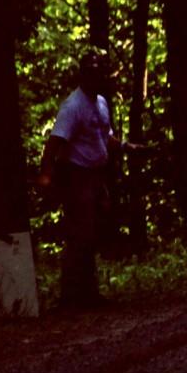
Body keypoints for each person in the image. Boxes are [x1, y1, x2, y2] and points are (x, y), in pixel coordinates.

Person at [38, 51, 141, 308]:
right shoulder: (73, 106)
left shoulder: (101, 103)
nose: (95, 77)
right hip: (77, 175)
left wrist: (127, 147)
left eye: (99, 72)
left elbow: (104, 136)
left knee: (92, 233)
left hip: (96, 175)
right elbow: (54, 143)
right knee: (79, 234)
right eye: (90, 72)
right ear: (83, 75)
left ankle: (88, 293)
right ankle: (70, 297)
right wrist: (47, 175)